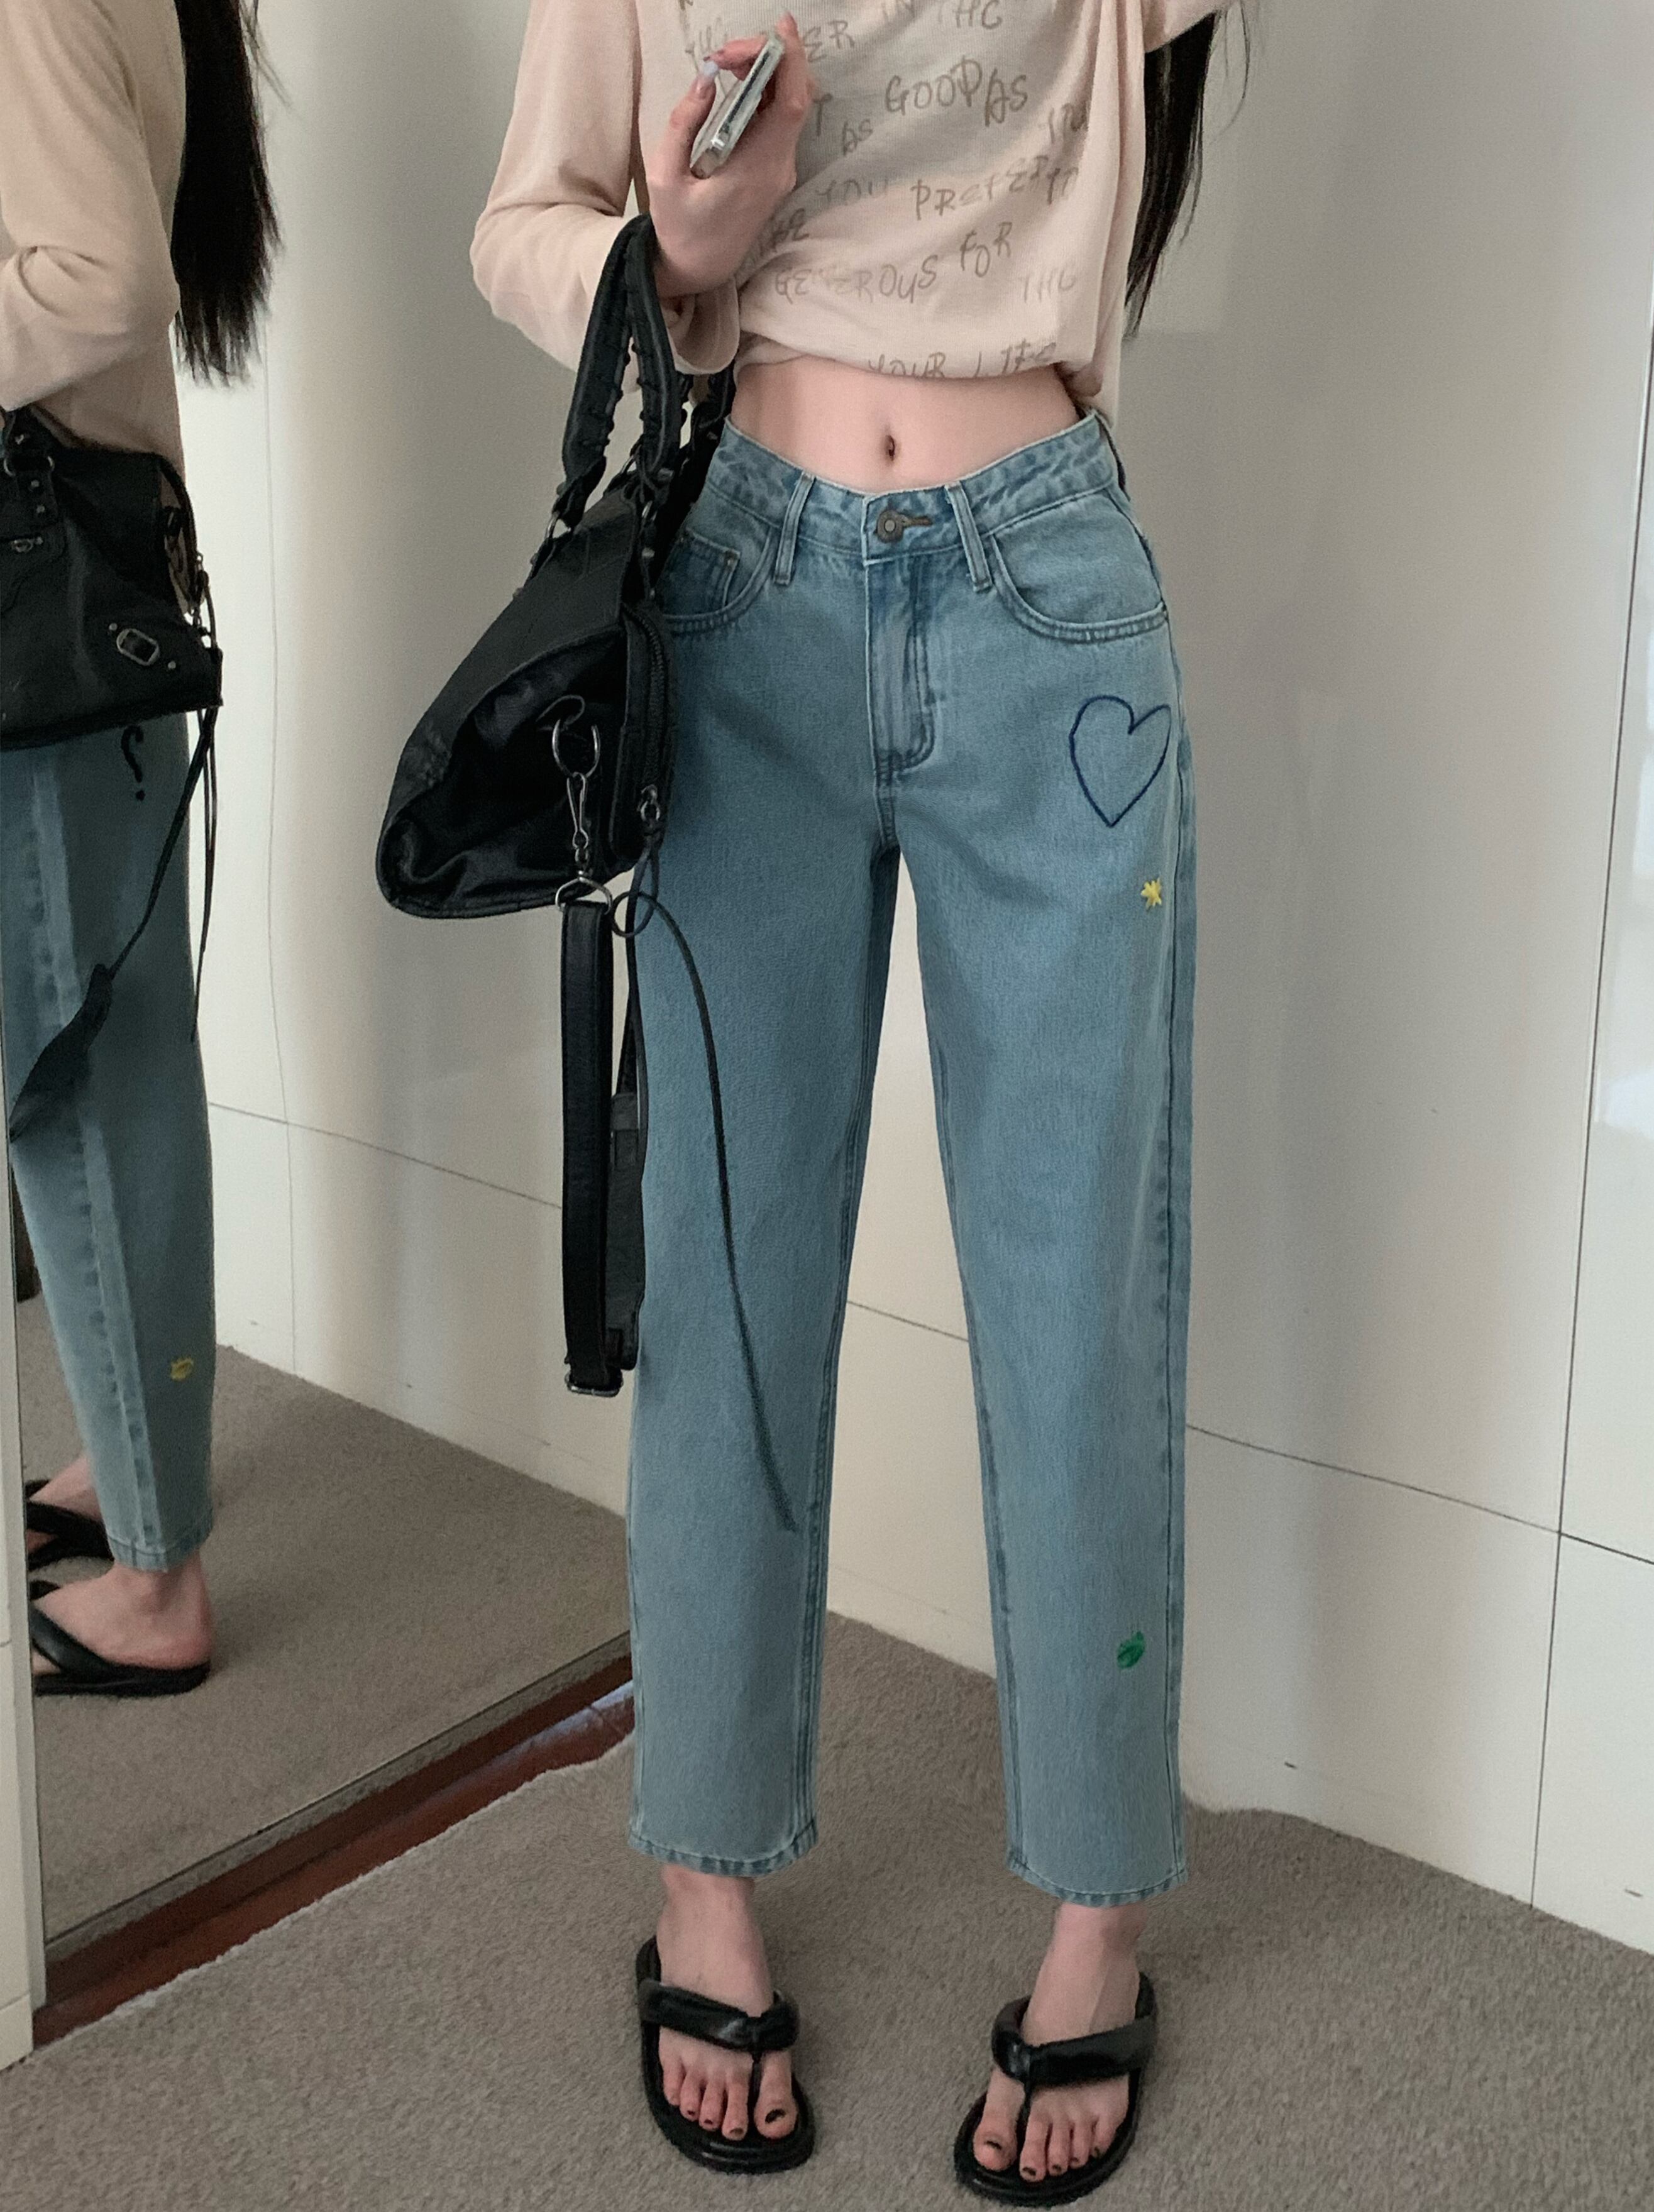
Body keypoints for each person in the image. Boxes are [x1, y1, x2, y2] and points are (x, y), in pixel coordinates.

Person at [474, 1, 1237, 2193]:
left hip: (1044, 593)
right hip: (744, 585)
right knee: (725, 1283)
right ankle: (703, 1876)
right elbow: (524, 226)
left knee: (1074, 1300)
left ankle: (1095, 1922)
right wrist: (675, 253)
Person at [0, 0, 276, 1695]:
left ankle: (160, 1583)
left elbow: (100, 280)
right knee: (106, 1058)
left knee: (83, 1080)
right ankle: (132, 1464)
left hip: (46, 610)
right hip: (79, 598)